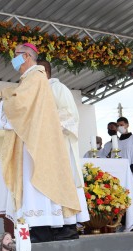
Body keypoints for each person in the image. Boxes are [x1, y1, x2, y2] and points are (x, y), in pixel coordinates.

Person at [0, 43, 81, 243]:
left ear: (27, 56)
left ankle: (40, 229)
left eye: (16, 55)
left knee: (35, 183)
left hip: (36, 144)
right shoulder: (28, 80)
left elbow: (19, 105)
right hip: (32, 142)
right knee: (33, 184)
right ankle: (40, 229)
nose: (14, 60)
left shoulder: (36, 77)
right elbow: (10, 95)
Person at [37, 60, 89, 240]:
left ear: (44, 72)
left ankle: (68, 226)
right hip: (46, 148)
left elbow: (70, 116)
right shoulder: (39, 91)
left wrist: (45, 121)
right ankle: (55, 224)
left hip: (61, 147)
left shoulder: (58, 89)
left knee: (63, 183)